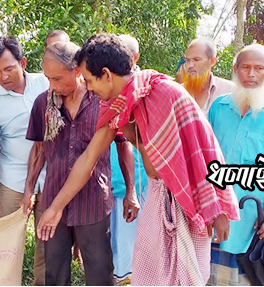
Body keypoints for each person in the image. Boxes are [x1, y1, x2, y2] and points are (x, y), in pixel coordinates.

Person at [36, 33, 240, 286]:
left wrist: (217, 208)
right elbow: (88, 158)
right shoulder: (118, 106)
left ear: (107, 75)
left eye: (90, 81)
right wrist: (55, 208)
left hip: (185, 199)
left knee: (186, 277)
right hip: (156, 196)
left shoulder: (167, 92)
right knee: (150, 275)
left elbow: (204, 149)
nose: (88, 88)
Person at [24, 41, 126, 286]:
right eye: (48, 79)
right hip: (53, 200)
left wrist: (131, 190)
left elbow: (123, 145)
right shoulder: (43, 104)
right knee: (54, 273)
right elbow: (38, 149)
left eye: (58, 79)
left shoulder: (103, 101)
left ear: (77, 71)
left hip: (92, 203)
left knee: (100, 271)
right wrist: (29, 190)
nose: (53, 86)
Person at [207, 43, 264, 286]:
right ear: (236, 69)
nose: (251, 74)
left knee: (248, 271)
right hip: (217, 205)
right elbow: (207, 157)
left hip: (254, 208)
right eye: (245, 67)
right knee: (211, 267)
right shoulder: (219, 107)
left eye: (259, 68)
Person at [0, 35, 49, 286]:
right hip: (13, 182)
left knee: (47, 244)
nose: (2, 77)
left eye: (8, 69)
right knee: (7, 246)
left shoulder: (47, 84)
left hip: (51, 178)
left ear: (22, 62)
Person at [109, 33, 146, 285]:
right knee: (115, 246)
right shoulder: (105, 86)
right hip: (109, 180)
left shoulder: (145, 87)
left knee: (136, 244)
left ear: (134, 58)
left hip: (138, 183)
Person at [182, 38, 234, 114]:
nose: (190, 65)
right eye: (187, 60)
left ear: (212, 61)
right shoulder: (179, 91)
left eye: (196, 60)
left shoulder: (230, 91)